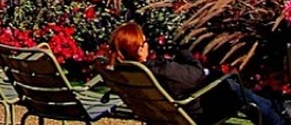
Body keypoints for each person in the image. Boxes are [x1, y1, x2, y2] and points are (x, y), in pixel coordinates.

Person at [108, 21, 281, 125]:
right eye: (145, 42)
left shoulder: (128, 72)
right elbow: (197, 74)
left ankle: (276, 108)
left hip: (162, 114)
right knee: (231, 86)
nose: (148, 45)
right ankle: (278, 119)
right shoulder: (161, 71)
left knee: (229, 86)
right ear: (139, 50)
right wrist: (185, 53)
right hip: (195, 114)